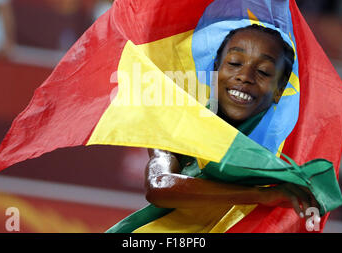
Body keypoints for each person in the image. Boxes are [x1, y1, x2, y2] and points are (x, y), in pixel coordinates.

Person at [107, 25, 318, 233]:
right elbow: (159, 187)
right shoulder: (179, 124)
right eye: (235, 63)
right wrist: (260, 195)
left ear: (279, 90)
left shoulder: (284, 159)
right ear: (216, 70)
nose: (245, 76)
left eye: (263, 71)